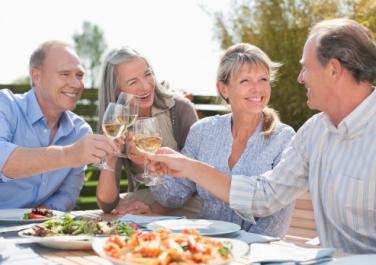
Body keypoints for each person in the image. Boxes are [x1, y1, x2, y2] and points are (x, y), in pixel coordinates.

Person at [148, 18, 376, 253]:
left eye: (306, 67)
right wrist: (186, 166)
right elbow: (265, 196)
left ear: (333, 70)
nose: (300, 78)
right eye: (245, 81)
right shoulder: (315, 131)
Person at [145, 43, 296, 237]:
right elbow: (174, 196)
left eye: (263, 79)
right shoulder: (203, 132)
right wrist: (152, 168)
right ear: (223, 89)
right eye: (245, 81)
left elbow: (276, 219)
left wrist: (240, 250)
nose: (257, 89)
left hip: (256, 253)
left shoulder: (284, 138)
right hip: (206, 248)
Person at [0, 41, 118, 212]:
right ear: (37, 76)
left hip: (34, 231)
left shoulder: (80, 131)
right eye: (65, 74)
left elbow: (67, 196)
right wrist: (69, 154)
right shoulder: (5, 105)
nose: (77, 84)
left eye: (79, 75)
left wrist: (37, 220)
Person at [96, 46, 200, 216]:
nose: (145, 86)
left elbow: (197, 180)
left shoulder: (180, 110)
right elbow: (107, 204)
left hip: (188, 203)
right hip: (152, 200)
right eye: (132, 81)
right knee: (119, 214)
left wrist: (154, 210)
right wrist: (111, 158)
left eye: (147, 74)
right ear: (116, 91)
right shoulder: (116, 122)